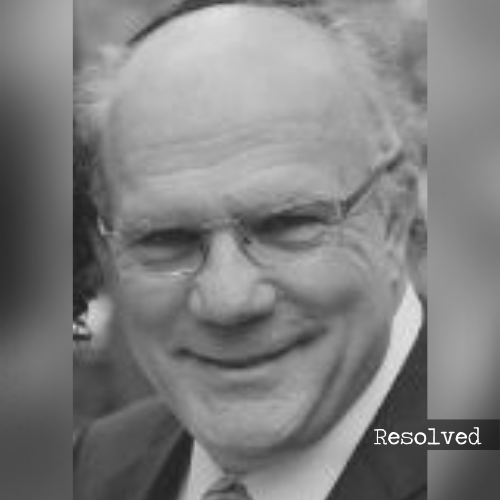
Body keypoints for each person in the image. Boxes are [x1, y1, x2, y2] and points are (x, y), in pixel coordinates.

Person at [74, 2, 426, 499]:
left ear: (395, 217)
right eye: (165, 239)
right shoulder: (94, 466)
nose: (228, 299)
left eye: (287, 224)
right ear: (105, 251)